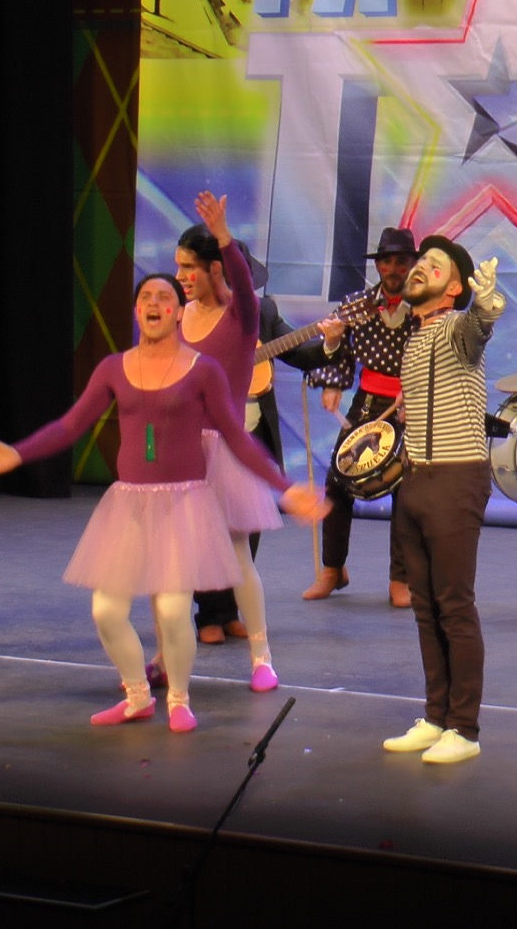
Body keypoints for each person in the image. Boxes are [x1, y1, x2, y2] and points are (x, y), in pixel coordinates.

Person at [0, 273, 327, 732]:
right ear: (137, 311)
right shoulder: (114, 368)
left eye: (164, 297)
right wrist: (17, 453)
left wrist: (285, 487)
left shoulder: (202, 370)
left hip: (183, 504)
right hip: (130, 505)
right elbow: (70, 425)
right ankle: (137, 695)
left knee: (174, 612)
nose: (154, 303)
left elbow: (237, 438)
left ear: (178, 312)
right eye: (146, 297)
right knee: (106, 611)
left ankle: (179, 699)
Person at [379, 237, 504, 766]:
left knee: (454, 604)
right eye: (420, 262)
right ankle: (436, 716)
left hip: (456, 478)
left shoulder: (454, 326)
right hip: (417, 478)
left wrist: (486, 303)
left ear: (453, 287)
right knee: (425, 606)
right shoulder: (415, 337)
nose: (419, 268)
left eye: (434, 266)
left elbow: (478, 328)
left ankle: (465, 728)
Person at [159, 192, 284, 689]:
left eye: (190, 266)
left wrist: (225, 236)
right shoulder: (177, 315)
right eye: (178, 267)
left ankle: (261, 658)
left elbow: (246, 289)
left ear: (215, 268)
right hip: (179, 452)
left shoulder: (241, 315)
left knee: (237, 559)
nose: (181, 276)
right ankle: (166, 658)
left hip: (223, 452)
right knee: (171, 564)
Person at [192, 240, 334, 637]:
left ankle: (230, 610)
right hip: (205, 434)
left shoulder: (263, 312)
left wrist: (330, 341)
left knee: (245, 526)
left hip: (250, 432)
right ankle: (209, 614)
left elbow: (300, 353)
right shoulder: (194, 316)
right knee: (208, 525)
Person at [303, 225, 419, 605]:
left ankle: (400, 578)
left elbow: (437, 353)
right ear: (378, 266)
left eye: (400, 262)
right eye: (387, 262)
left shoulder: (425, 304)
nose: (393, 269)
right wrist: (334, 380)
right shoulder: (358, 303)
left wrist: (415, 386)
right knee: (339, 481)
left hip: (410, 406)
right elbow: (340, 349)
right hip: (368, 402)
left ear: (412, 264)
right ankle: (333, 568)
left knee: (406, 489)